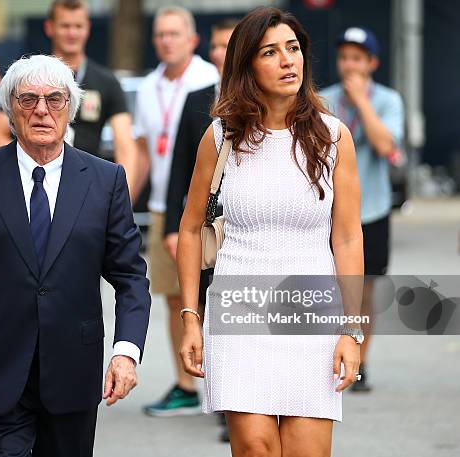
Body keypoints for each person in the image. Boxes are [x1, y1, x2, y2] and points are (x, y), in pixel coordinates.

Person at [0, 55, 151, 457]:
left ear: (71, 109)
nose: (42, 110)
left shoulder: (105, 180)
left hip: (73, 375)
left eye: (55, 99)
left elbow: (131, 277)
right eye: (28, 99)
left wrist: (126, 352)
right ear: (10, 108)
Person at [178, 7, 364, 457]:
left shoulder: (334, 137)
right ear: (246, 66)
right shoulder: (220, 138)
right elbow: (189, 230)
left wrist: (352, 330)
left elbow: (348, 238)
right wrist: (191, 318)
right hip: (239, 315)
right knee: (255, 449)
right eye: (271, 52)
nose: (288, 61)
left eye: (294, 49)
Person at [134, 6, 219, 417]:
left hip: (207, 211)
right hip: (164, 208)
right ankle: (186, 386)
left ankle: (223, 387)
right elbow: (142, 149)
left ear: (192, 39)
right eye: (160, 34)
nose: (166, 40)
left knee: (216, 299)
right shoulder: (148, 86)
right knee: (173, 298)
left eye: (174, 33)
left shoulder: (210, 81)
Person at [163, 18, 238, 440]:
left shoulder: (268, 102)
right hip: (207, 230)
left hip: (250, 227)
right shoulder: (196, 102)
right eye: (214, 45)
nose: (217, 52)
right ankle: (226, 401)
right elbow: (179, 169)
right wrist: (176, 230)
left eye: (226, 44)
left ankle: (235, 405)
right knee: (210, 312)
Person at [0, 0, 140, 200]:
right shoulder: (29, 79)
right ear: (50, 28)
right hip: (35, 182)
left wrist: (119, 198)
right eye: (65, 26)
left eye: (78, 26)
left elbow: (126, 146)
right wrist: (28, 167)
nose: (72, 33)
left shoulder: (106, 81)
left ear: (88, 29)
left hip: (85, 186)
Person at [320, 27, 404, 392]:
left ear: (372, 63)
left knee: (365, 289)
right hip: (329, 211)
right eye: (343, 58)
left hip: (372, 210)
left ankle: (360, 357)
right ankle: (322, 351)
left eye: (357, 58)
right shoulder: (324, 100)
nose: (349, 65)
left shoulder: (388, 100)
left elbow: (387, 145)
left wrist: (362, 103)